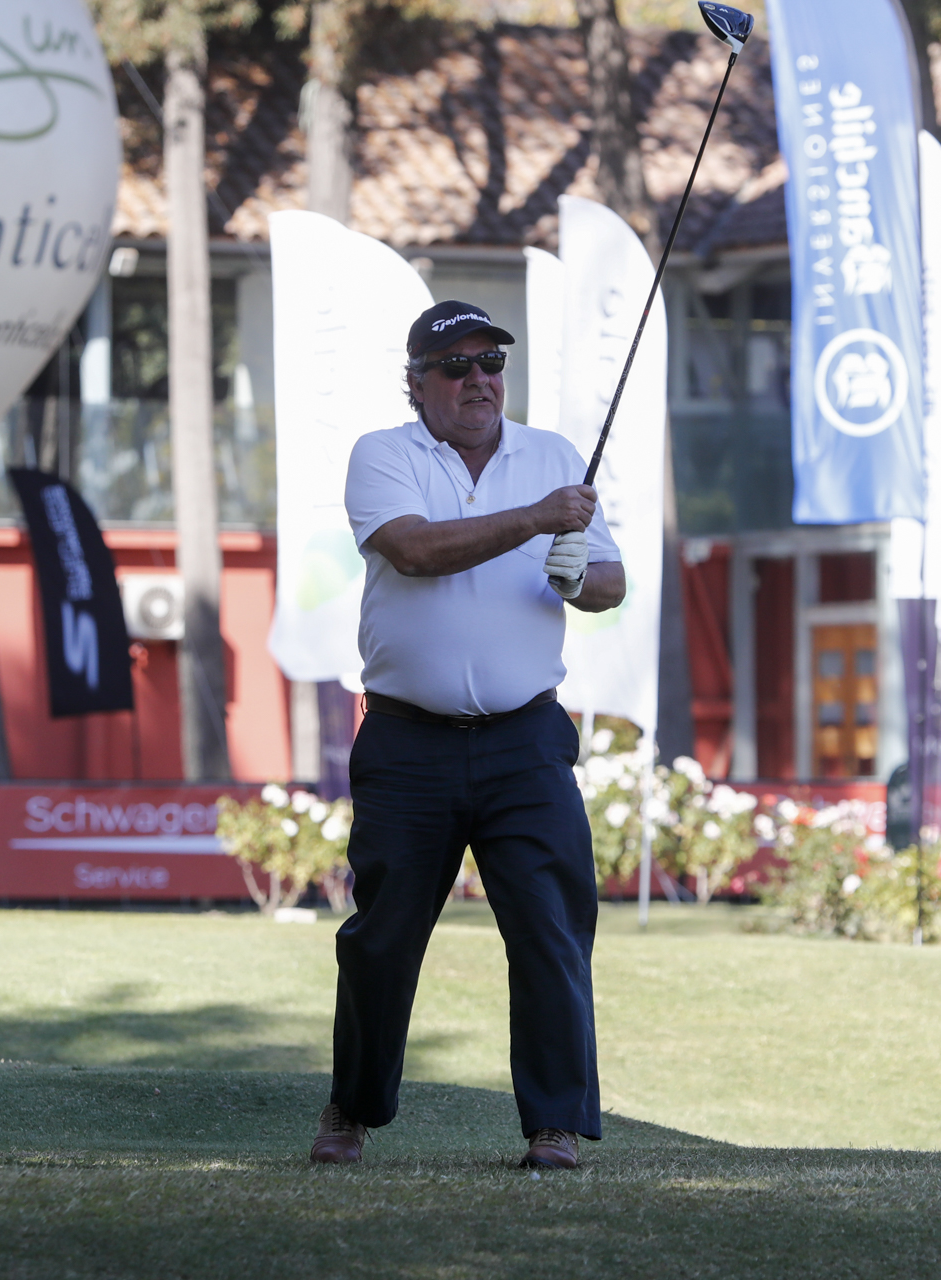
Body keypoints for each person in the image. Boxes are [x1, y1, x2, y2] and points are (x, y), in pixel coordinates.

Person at [310, 300, 626, 1171]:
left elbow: (610, 580)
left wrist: (579, 579)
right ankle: (352, 1107)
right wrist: (536, 520)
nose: (479, 380)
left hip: (527, 739)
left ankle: (555, 1124)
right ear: (417, 384)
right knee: (381, 938)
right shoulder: (384, 454)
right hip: (408, 741)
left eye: (493, 363)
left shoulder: (552, 455)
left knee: (552, 928)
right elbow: (414, 550)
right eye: (457, 367)